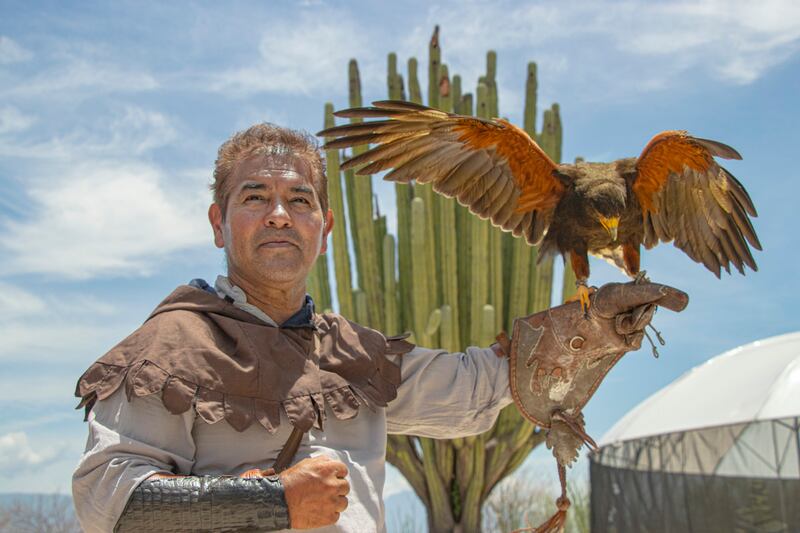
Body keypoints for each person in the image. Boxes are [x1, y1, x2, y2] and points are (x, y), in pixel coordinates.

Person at [72, 122, 684, 532]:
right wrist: (270, 503)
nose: (280, 214)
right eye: (255, 197)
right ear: (218, 222)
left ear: (325, 228)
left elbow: (478, 389)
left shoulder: (352, 353)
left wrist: (594, 328)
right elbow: (108, 502)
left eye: (301, 200)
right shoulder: (170, 349)